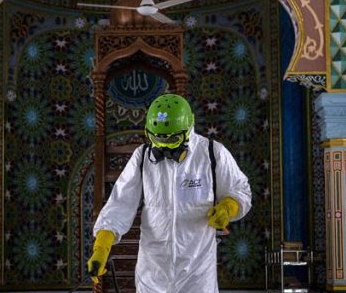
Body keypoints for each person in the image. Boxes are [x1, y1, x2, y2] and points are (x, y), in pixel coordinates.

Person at [87, 93, 252, 292]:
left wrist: (228, 207)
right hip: (152, 275)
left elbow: (240, 189)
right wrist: (102, 246)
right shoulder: (142, 156)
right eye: (156, 138)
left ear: (189, 127)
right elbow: (119, 203)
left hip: (197, 275)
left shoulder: (212, 153)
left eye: (172, 139)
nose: (163, 145)